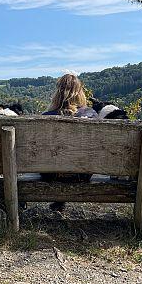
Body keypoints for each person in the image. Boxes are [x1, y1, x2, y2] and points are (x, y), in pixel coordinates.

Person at [41, 73, 95, 211]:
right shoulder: (92, 115)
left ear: (57, 93)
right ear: (80, 92)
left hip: (50, 174)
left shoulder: (45, 118)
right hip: (82, 174)